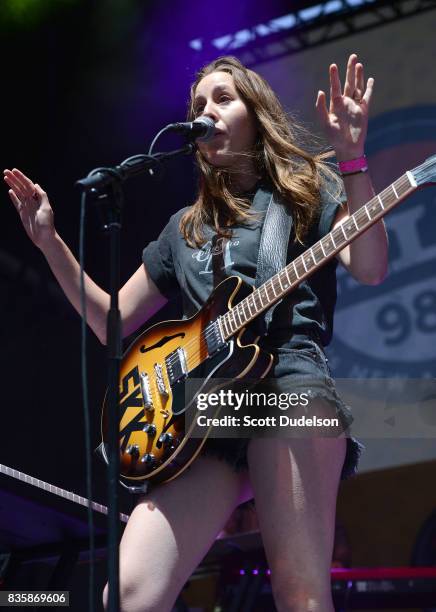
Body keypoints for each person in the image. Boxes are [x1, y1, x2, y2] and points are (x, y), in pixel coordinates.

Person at [4, 53, 388, 611]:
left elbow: (371, 266)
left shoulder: (306, 191)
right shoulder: (182, 229)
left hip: (289, 387)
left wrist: (352, 160)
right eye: (198, 105)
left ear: (256, 115)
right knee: (128, 595)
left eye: (222, 99)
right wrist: (49, 243)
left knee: (300, 594)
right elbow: (111, 322)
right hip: (201, 410)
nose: (205, 111)